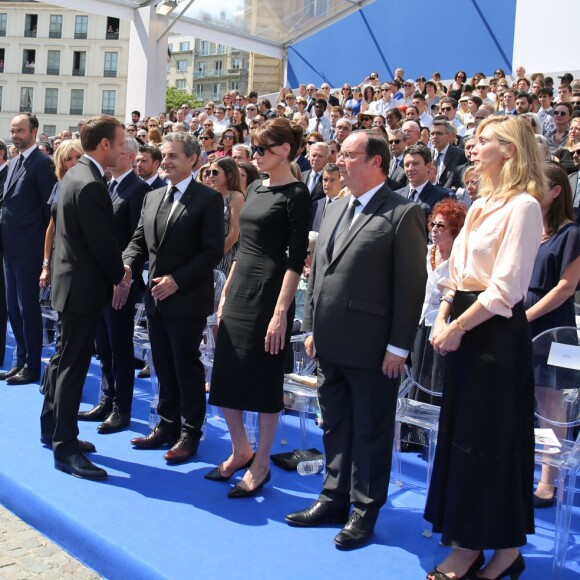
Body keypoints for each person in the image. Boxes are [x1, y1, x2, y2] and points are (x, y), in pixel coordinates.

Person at [285, 131, 426, 550]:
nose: (339, 161)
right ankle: (333, 498)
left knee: (370, 432)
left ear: (376, 162)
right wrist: (310, 327)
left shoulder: (403, 213)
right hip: (329, 343)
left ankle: (364, 511)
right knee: (336, 427)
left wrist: (398, 347)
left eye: (348, 155)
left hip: (373, 348)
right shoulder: (331, 209)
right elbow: (318, 275)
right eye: (339, 155)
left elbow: (411, 286)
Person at [425, 116, 545, 580]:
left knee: (487, 443)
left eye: (483, 142)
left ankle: (475, 548)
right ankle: (499, 550)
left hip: (494, 335)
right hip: (464, 323)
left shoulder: (523, 207)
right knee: (462, 439)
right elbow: (456, 275)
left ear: (509, 151)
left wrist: (458, 328)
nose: (472, 148)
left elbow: (507, 288)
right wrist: (442, 314)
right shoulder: (478, 205)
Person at [207, 118, 311, 498]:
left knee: (264, 377)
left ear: (285, 150)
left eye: (263, 149)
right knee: (227, 373)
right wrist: (225, 293)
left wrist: (281, 312)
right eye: (255, 148)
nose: (256, 155)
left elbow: (295, 259)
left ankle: (262, 462)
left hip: (271, 290)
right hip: (240, 287)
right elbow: (242, 246)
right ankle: (241, 450)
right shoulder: (254, 188)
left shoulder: (297, 195)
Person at [125, 132, 224, 464]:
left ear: (193, 160)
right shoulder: (152, 197)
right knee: (162, 364)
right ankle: (166, 425)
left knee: (186, 366)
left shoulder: (208, 199)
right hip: (155, 297)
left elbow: (211, 251)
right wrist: (126, 265)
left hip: (187, 298)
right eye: (163, 156)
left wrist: (177, 281)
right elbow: (139, 241)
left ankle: (190, 432)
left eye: (172, 156)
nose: (165, 161)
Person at [43, 115, 131, 480]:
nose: (125, 148)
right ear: (105, 144)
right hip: (82, 287)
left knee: (64, 360)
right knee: (72, 368)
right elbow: (100, 243)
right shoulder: (91, 182)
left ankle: (53, 431)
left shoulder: (74, 175)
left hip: (70, 284)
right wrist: (120, 275)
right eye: (121, 141)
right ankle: (66, 447)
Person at [78, 136, 150, 434]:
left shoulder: (140, 190)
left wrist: (125, 276)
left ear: (130, 157)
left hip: (122, 282)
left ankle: (122, 408)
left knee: (120, 347)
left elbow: (140, 240)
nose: (113, 154)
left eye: (120, 150)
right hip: (99, 279)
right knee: (103, 345)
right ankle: (106, 399)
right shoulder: (106, 186)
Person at [525, 162, 580, 508]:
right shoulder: (531, 231)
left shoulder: (572, 233)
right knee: (527, 399)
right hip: (524, 323)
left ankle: (549, 482)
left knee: (551, 404)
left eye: (538, 183)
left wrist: (526, 316)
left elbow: (565, 288)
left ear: (556, 190)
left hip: (557, 330)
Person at [1, 114, 56, 384]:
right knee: (13, 308)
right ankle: (21, 359)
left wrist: (47, 257)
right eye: (13, 131)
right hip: (9, 249)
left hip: (30, 250)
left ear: (34, 131)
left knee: (28, 310)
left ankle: (33, 365)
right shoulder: (13, 163)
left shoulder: (43, 164)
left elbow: (50, 213)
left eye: (20, 130)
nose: (16, 135)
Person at [208, 158, 245, 277]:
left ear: (229, 174)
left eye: (215, 172)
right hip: (206, 253)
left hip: (224, 256)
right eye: (209, 172)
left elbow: (233, 236)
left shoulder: (236, 197)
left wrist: (212, 258)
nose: (211, 176)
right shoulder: (210, 195)